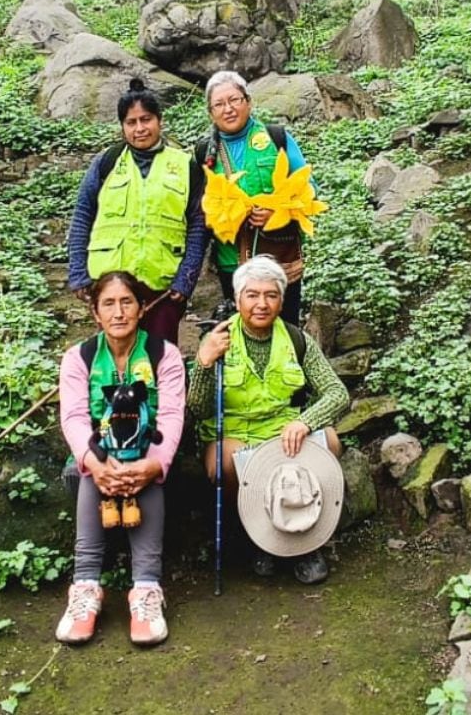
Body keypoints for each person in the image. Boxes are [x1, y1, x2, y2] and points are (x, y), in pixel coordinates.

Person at [190, 255, 348, 584]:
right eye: (252, 295)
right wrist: (205, 363)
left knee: (330, 440)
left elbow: (337, 393)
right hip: (236, 433)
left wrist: (305, 421)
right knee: (223, 461)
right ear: (237, 299)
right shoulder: (218, 339)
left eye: (271, 295)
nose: (261, 304)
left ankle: (306, 537)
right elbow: (197, 409)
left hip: (283, 433)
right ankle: (255, 537)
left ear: (281, 299)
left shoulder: (296, 339)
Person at [56, 270, 186, 646]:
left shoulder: (165, 355)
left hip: (151, 451)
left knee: (140, 466)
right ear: (95, 313)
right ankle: (85, 587)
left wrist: (155, 463)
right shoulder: (78, 357)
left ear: (142, 308)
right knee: (92, 471)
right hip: (97, 456)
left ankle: (145, 589)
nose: (118, 312)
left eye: (127, 302)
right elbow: (75, 418)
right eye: (108, 304)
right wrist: (94, 462)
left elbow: (172, 415)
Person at [68, 77, 209, 346]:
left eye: (146, 120)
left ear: (159, 121)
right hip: (111, 283)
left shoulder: (185, 166)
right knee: (114, 359)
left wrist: (186, 279)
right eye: (131, 123)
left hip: (162, 285)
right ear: (122, 127)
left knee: (159, 358)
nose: (140, 128)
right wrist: (78, 273)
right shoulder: (107, 162)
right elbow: (82, 216)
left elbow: (198, 225)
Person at [198, 71, 313, 327]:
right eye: (219, 104)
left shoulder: (275, 138)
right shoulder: (204, 152)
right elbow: (200, 207)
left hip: (279, 259)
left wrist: (279, 213)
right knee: (244, 333)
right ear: (210, 112)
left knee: (286, 332)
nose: (228, 109)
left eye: (234, 100)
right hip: (232, 263)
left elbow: (308, 188)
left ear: (248, 102)